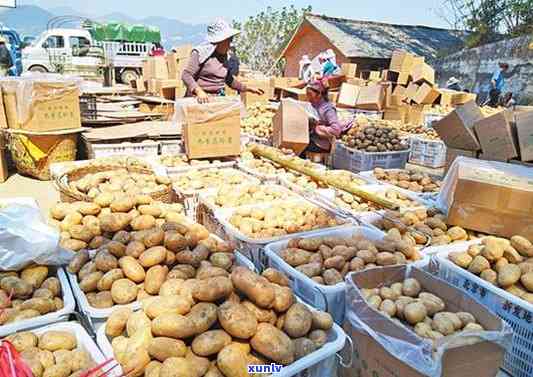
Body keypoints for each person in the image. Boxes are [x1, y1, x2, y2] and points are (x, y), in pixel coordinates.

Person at [181, 19, 264, 103]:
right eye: (228, 40)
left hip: (216, 98)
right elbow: (186, 75)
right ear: (219, 41)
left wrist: (247, 88)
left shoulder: (225, 57)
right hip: (199, 99)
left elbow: (229, 79)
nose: (229, 44)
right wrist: (199, 91)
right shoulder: (200, 54)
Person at [305, 78, 351, 153]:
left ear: (319, 94)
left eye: (310, 95)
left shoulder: (328, 109)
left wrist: (316, 128)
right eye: (307, 94)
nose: (308, 97)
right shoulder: (314, 104)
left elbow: (336, 130)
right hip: (314, 137)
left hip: (323, 143)